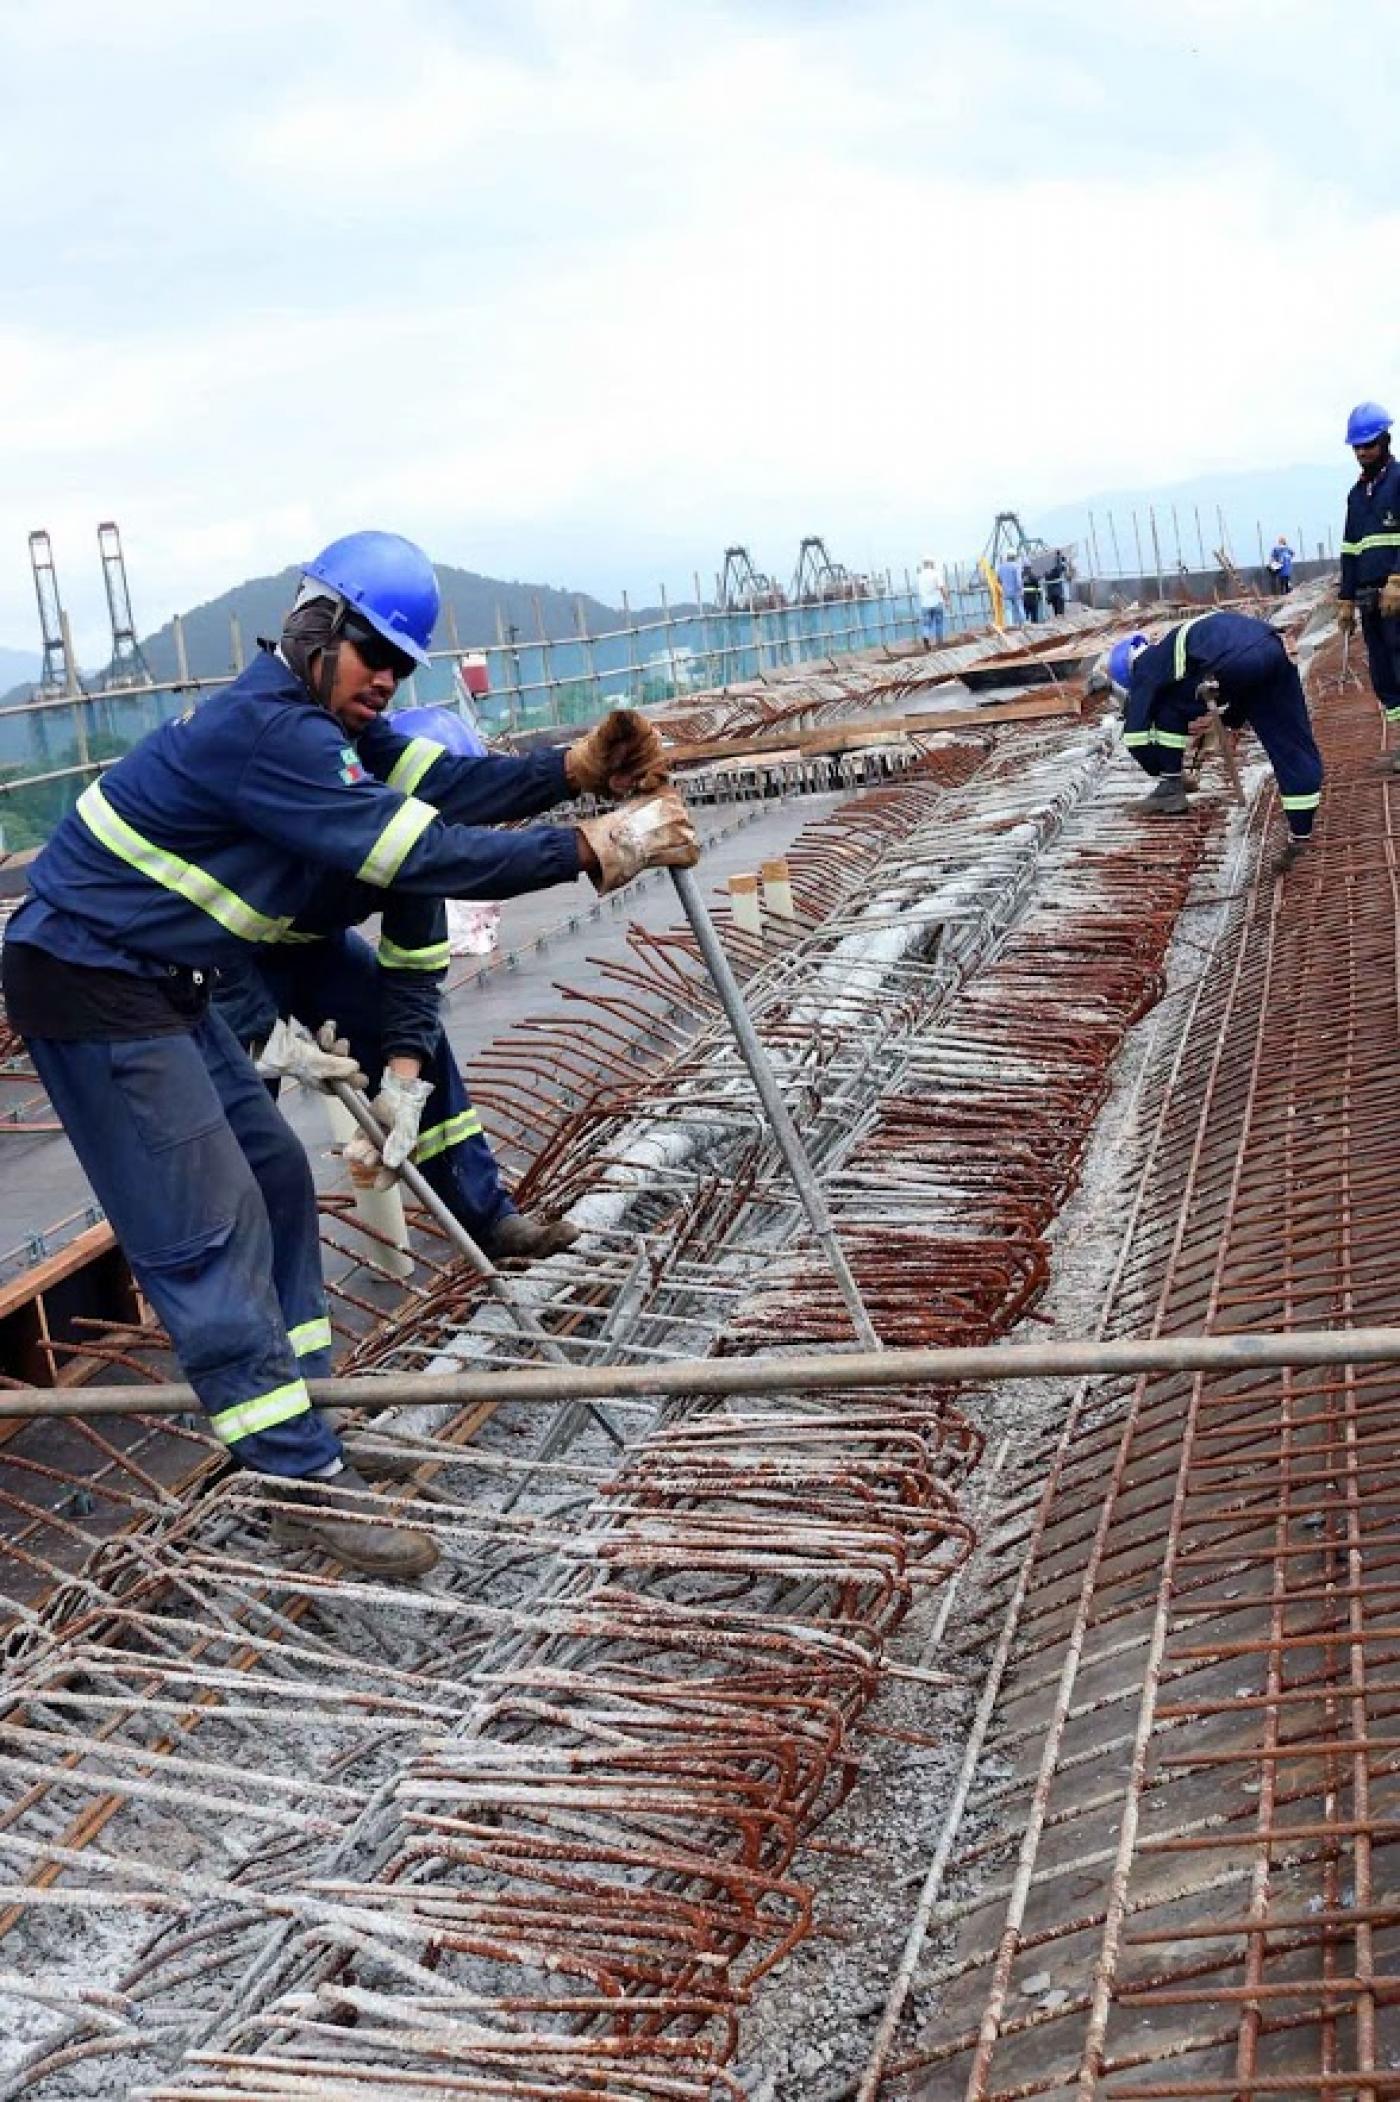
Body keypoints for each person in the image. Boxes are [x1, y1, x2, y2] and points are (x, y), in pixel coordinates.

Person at [1, 530, 694, 1581]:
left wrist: (569, 772)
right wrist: (595, 847)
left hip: (161, 972)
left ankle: (307, 1414)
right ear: (314, 630)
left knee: (278, 1175)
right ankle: (293, 1477)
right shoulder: (266, 733)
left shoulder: (328, 727)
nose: (386, 677)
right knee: (208, 1220)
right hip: (92, 978)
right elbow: (417, 849)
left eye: (400, 665)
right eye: (373, 651)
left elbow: (444, 791)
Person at [215, 703, 578, 1265]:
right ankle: (245, 1274)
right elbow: (207, 940)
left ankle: (489, 1220)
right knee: (236, 1107)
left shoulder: (414, 848)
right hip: (223, 956)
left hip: (313, 945)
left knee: (422, 1051)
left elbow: (411, 982)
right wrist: (266, 1037)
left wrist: (401, 1093)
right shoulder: (290, 821)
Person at [1108, 612, 1323, 871]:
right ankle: (1302, 833)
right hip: (1273, 648)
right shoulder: (1181, 638)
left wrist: (1154, 766)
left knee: (1166, 707)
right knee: (1291, 741)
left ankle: (1170, 786)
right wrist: (1231, 714)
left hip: (1234, 662)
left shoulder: (1147, 664)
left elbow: (1136, 733)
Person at [1337, 402, 1400, 761]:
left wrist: (1397, 578)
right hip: (1368, 598)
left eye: (1369, 445)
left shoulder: (1399, 479)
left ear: (1385, 441)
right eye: (1357, 447)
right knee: (1383, 675)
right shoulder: (1357, 495)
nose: (1362, 453)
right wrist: (1345, 599)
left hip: (1396, 595)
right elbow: (1349, 549)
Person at [916, 556, 949, 648]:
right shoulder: (936, 574)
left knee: (926, 624)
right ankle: (939, 643)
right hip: (937, 602)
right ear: (931, 563)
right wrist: (947, 600)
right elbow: (942, 588)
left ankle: (926, 638)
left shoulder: (920, 575)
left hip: (925, 604)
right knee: (939, 623)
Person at [995, 554, 1024, 626]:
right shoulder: (1016, 566)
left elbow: (998, 580)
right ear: (1014, 557)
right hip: (1016, 591)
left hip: (1006, 592)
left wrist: (1004, 585)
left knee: (1008, 609)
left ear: (1007, 557)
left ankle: (1010, 625)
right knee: (1019, 608)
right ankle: (1022, 624)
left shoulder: (1001, 567)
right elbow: (1018, 580)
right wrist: (1020, 589)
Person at [1045, 550, 1068, 618]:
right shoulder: (1056, 570)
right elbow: (1060, 569)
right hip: (1057, 592)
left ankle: (1058, 616)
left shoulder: (1049, 572)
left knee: (1056, 608)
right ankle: (1059, 616)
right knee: (1058, 607)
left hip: (1053, 592)